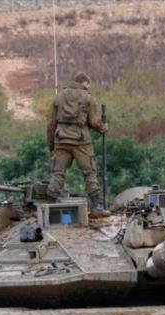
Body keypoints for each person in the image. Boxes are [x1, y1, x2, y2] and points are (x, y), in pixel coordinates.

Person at [46, 72, 109, 217]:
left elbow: (50, 124)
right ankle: (96, 208)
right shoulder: (88, 98)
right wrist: (103, 127)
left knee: (58, 173)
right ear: (85, 83)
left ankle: (49, 207)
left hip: (61, 140)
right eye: (88, 85)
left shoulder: (59, 97)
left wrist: (52, 146)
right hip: (81, 141)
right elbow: (93, 122)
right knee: (89, 173)